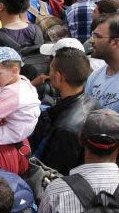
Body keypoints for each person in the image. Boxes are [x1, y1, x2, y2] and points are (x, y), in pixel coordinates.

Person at [29, 47, 99, 175]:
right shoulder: (93, 101)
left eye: (50, 70)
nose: (48, 74)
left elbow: (54, 172)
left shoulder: (65, 129)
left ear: (58, 77)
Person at [0, 47, 40, 174]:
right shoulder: (22, 81)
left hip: (14, 131)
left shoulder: (13, 93)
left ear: (14, 71)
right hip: (25, 127)